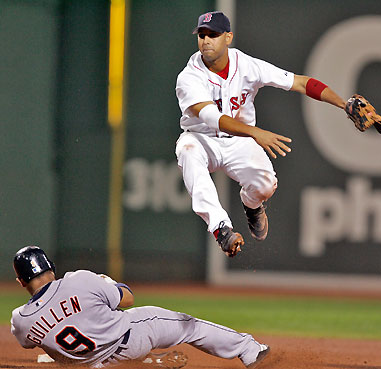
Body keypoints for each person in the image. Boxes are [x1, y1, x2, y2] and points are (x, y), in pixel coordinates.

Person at [175, 11, 347, 257]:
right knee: (187, 151)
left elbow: (299, 82)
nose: (206, 40)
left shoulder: (246, 65)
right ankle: (221, 228)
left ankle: (252, 205)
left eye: (213, 34)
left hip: (240, 142)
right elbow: (212, 118)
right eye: (202, 35)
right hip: (202, 140)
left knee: (265, 185)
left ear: (228, 37)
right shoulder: (189, 77)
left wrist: (345, 104)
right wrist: (256, 132)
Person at [11, 246, 270, 368]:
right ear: (50, 267)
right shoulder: (78, 279)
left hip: (92, 364)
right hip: (132, 338)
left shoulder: (20, 320)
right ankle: (249, 350)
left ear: (21, 281)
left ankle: (147, 363)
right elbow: (128, 298)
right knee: (188, 326)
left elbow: (30, 341)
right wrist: (109, 282)